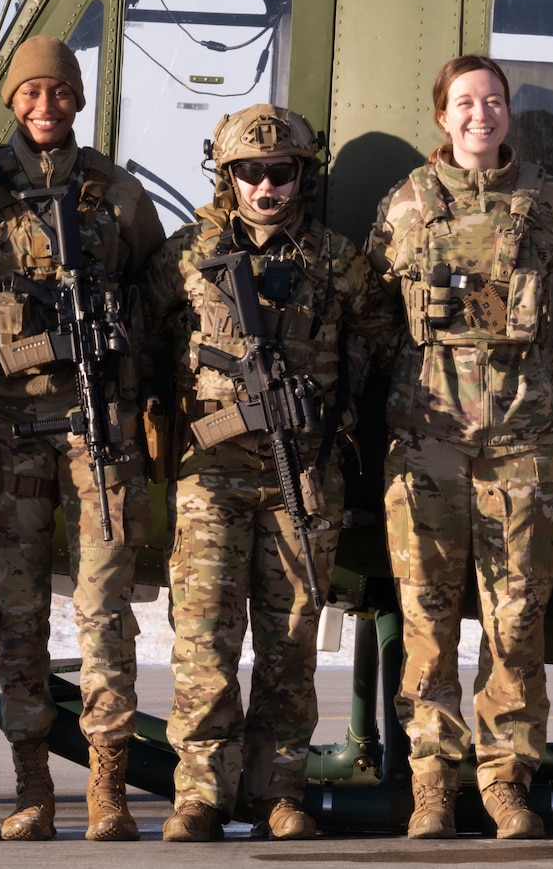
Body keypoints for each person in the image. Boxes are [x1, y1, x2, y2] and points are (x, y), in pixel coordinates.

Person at [0, 35, 165, 841]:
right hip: (6, 429)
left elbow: (155, 291)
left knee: (104, 611)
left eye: (59, 92)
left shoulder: (117, 194)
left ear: (77, 100)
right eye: (31, 93)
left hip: (96, 428)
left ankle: (108, 789)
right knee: (20, 608)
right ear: (11, 101)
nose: (45, 106)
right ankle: (32, 788)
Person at [363, 54, 553, 841]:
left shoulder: (549, 207)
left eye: (493, 101)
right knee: (428, 618)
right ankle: (432, 782)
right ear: (442, 116)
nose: (480, 114)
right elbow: (371, 311)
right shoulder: (406, 205)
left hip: (524, 446)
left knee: (515, 619)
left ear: (509, 113)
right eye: (464, 102)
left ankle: (506, 781)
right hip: (429, 444)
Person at [145, 104, 391, 842]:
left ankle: (280, 790)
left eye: (280, 171)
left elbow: (378, 339)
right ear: (227, 177)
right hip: (210, 472)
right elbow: (145, 335)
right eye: (249, 173)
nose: (265, 186)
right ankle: (200, 794)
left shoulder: (338, 261)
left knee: (290, 640)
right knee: (205, 638)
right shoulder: (187, 255)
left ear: (301, 176)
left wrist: (331, 405)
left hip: (302, 472)